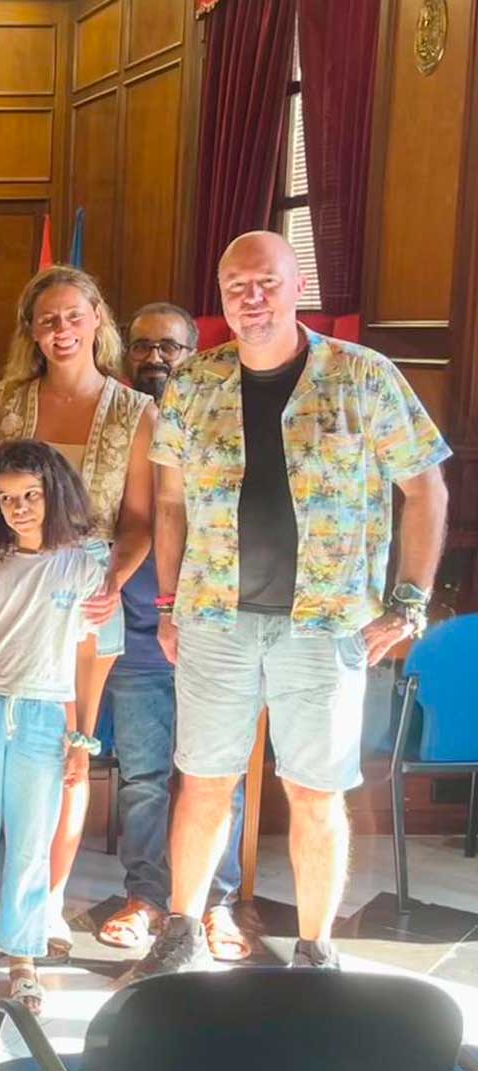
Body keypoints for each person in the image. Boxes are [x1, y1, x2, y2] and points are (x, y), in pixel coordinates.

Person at [129, 231, 450, 978]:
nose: (252, 298)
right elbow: (169, 502)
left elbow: (426, 487)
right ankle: (181, 931)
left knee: (315, 791)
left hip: (325, 625)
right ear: (222, 297)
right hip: (214, 618)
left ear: (297, 285)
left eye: (266, 283)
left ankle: (315, 949)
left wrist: (409, 602)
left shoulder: (364, 376)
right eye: (236, 286)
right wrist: (169, 604)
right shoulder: (195, 382)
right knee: (203, 780)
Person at [0, 265, 153, 955]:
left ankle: (45, 902)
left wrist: (112, 580)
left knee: (71, 750)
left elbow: (141, 519)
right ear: (32, 331)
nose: (62, 329)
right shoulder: (6, 404)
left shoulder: (135, 411)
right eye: (48, 319)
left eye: (74, 315)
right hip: (11, 595)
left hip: (88, 591)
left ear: (98, 319)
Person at [95, 303, 248, 959]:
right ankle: (147, 897)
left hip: (213, 630)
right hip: (136, 635)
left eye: (170, 347)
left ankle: (216, 904)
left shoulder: (222, 418)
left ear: (194, 353)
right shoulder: (118, 421)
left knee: (218, 775)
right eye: (143, 345)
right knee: (144, 776)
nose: (155, 357)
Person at [0, 441, 105, 1016]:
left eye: (31, 495)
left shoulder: (83, 566)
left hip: (44, 716)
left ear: (55, 492)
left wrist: (81, 739)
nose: (20, 508)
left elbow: (87, 656)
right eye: (7, 498)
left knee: (32, 843)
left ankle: (23, 959)